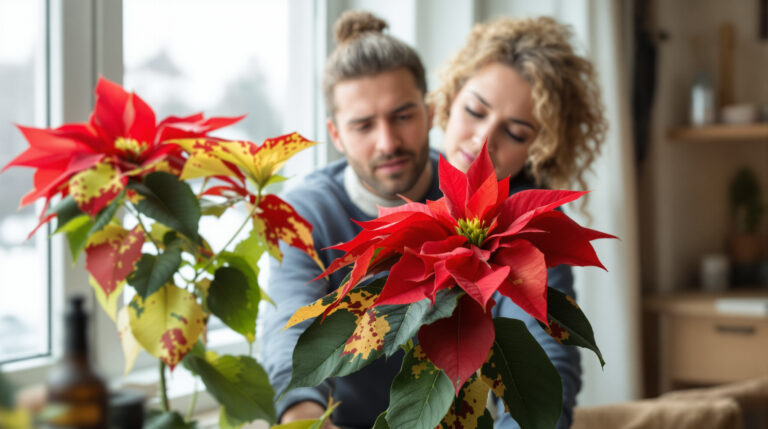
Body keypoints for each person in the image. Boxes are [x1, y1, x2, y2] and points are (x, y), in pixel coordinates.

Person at [259, 10, 439, 429]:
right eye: (363, 125)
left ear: (429, 112)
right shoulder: (306, 213)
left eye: (403, 116)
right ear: (336, 134)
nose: (388, 142)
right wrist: (302, 412)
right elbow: (289, 320)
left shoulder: (472, 199)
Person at [429, 16, 609, 428]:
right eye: (475, 111)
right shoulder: (402, 174)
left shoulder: (533, 228)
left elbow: (550, 362)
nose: (483, 141)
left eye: (515, 132)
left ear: (540, 149)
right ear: (451, 97)